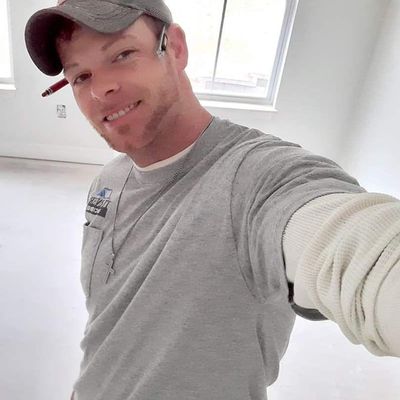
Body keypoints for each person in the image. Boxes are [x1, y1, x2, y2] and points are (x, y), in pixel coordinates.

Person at [25, 1, 400, 399]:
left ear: (175, 48)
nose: (101, 89)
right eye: (81, 76)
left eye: (122, 54)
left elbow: (357, 249)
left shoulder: (258, 177)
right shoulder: (108, 181)